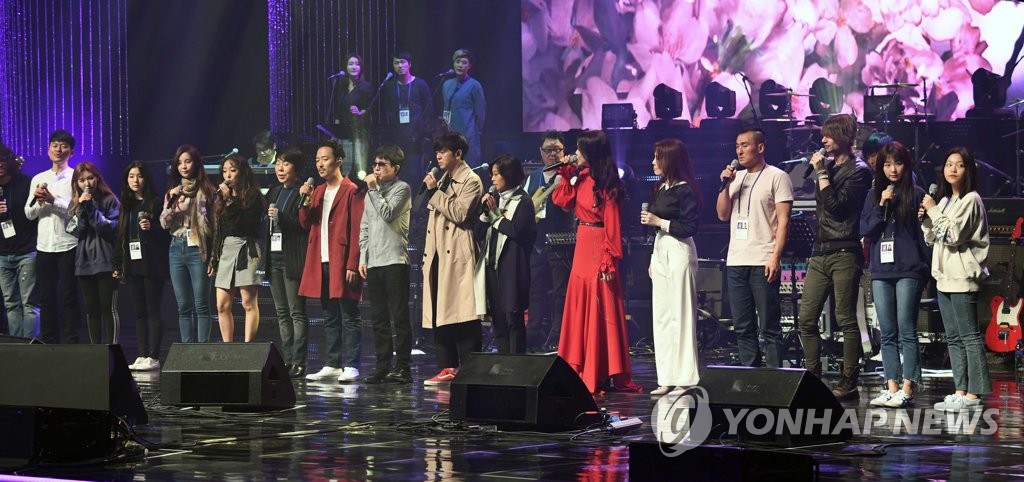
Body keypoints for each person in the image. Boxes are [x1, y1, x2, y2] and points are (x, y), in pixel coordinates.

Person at [551, 130, 641, 394]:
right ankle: (578, 367)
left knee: (600, 307)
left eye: (579, 150)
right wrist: (566, 177)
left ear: (590, 153)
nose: (575, 154)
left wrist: (609, 260)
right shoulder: (581, 178)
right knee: (580, 305)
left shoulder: (608, 185)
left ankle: (599, 371)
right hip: (582, 244)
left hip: (598, 246)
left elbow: (612, 225)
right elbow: (561, 200)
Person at [798, 114, 873, 400]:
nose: (823, 140)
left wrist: (821, 174)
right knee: (806, 318)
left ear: (843, 136)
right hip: (820, 251)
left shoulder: (860, 171)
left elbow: (837, 207)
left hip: (845, 250)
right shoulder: (828, 167)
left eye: (828, 135)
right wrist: (822, 172)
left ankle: (848, 381)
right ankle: (813, 378)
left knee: (845, 318)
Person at [921, 147, 992, 411]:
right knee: (953, 337)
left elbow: (953, 237)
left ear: (968, 170)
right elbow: (933, 238)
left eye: (959, 165)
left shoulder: (971, 199)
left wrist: (933, 212)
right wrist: (927, 219)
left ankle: (974, 394)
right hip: (944, 277)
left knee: (969, 336)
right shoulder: (945, 201)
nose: (952, 169)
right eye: (949, 164)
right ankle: (960, 390)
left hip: (963, 277)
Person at [717, 128, 794, 369]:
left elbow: (783, 221)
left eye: (745, 145)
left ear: (760, 148)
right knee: (743, 326)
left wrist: (775, 257)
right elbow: (722, 214)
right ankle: (751, 377)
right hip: (736, 261)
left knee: (769, 326)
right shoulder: (735, 178)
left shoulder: (777, 176)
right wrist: (725, 185)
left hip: (763, 259)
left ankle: (774, 379)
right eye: (737, 146)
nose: (739, 151)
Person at [860, 142, 928, 408]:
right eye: (887, 164)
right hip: (881, 270)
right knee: (887, 332)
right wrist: (881, 204)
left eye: (897, 163)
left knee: (906, 329)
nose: (893, 169)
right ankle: (891, 386)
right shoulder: (873, 195)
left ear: (906, 165)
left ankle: (908, 388)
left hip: (909, 269)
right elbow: (866, 229)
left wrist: (926, 271)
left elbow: (924, 236)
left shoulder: (917, 194)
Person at [421, 132, 485, 385]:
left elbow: (459, 213)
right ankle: (446, 366)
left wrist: (434, 192)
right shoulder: (444, 178)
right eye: (436, 151)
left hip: (458, 253)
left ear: (458, 154)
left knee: (464, 313)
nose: (438, 156)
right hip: (438, 252)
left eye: (443, 151)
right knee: (440, 310)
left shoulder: (471, 180)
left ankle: (470, 367)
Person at [300, 139, 365, 383]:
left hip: (342, 260)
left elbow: (357, 229)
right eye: (317, 160)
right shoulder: (317, 191)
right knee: (329, 314)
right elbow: (305, 223)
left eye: (325, 159)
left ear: (339, 160)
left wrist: (353, 263)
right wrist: (306, 202)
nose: (320, 164)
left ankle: (352, 364)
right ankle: (332, 363)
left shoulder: (351, 190)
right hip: (321, 259)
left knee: (349, 314)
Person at [642, 139, 702, 396]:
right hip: (661, 250)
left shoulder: (684, 190)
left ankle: (685, 378)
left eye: (657, 157)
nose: (653, 162)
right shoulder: (661, 188)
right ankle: (666, 376)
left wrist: (660, 222)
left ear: (670, 160)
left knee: (681, 314)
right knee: (663, 316)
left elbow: (689, 227)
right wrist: (653, 257)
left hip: (679, 251)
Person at [358, 145, 413, 383]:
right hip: (374, 262)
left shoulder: (402, 188)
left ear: (395, 168)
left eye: (382, 165)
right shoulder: (370, 193)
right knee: (378, 318)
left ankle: (403, 367)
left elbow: (388, 213)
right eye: (375, 164)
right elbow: (365, 227)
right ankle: (382, 365)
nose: (377, 169)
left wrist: (373, 189)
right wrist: (363, 257)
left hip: (395, 260)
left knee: (399, 317)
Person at [25, 129, 81, 344]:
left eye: (64, 146)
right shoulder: (39, 178)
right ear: (48, 150)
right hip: (44, 246)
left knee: (69, 295)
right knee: (46, 297)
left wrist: (53, 200)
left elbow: (77, 211)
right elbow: (29, 214)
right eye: (55, 145)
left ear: (71, 151)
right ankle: (48, 341)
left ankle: (72, 341)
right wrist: (40, 202)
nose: (59, 149)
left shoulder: (76, 177)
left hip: (68, 244)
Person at [113, 161, 170, 370]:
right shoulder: (126, 205)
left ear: (146, 178)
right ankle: (143, 354)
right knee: (139, 312)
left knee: (153, 310)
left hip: (152, 264)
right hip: (132, 264)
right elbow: (120, 237)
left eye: (139, 176)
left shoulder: (155, 202)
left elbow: (167, 234)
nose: (135, 180)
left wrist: (151, 227)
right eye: (131, 176)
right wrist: (118, 264)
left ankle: (154, 356)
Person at [477, 155, 535, 354]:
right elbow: (478, 233)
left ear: (508, 175)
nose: (492, 179)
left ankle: (517, 365)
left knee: (513, 318)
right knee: (498, 320)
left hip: (512, 268)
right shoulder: (495, 200)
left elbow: (517, 232)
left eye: (496, 174)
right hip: (492, 266)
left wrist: (495, 215)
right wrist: (486, 213)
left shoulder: (523, 201)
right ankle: (503, 362)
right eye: (492, 174)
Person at [160, 144, 217, 343]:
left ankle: (201, 352)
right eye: (179, 163)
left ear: (196, 163)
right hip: (176, 248)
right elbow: (164, 223)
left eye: (188, 161)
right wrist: (173, 206)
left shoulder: (207, 191)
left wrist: (213, 258)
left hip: (198, 249)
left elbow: (215, 227)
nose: (183, 166)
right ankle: (186, 350)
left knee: (201, 305)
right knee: (183, 306)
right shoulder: (172, 193)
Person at [524, 130, 574, 351]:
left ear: (564, 151)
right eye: (548, 150)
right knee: (535, 291)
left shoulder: (569, 175)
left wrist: (563, 181)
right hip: (536, 244)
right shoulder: (533, 176)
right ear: (540, 152)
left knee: (560, 292)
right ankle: (533, 335)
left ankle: (558, 337)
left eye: (557, 150)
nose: (552, 154)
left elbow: (569, 207)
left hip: (560, 243)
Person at [264, 147, 310, 376]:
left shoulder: (302, 192)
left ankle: (299, 361)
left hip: (292, 258)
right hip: (273, 258)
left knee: (296, 312)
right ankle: (288, 359)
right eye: (278, 163)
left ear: (296, 168)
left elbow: (303, 225)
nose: (280, 169)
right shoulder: (273, 192)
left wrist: (281, 217)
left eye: (286, 164)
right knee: (281, 313)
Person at [212, 154, 265, 343]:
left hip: (247, 248)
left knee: (248, 303)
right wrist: (214, 258)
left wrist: (229, 201)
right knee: (221, 305)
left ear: (242, 173)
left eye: (232, 170)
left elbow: (246, 224)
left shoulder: (253, 196)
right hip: (227, 250)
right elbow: (219, 231)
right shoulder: (221, 199)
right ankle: (228, 347)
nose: (227, 175)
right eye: (224, 171)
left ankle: (248, 347)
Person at [65, 162, 120, 344]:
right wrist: (81, 208)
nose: (87, 183)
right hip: (84, 263)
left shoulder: (110, 200)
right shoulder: (74, 205)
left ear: (97, 178)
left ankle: (112, 350)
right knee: (91, 309)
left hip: (106, 261)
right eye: (82, 180)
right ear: (76, 183)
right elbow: (76, 231)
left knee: (107, 308)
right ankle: (95, 349)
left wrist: (90, 208)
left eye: (90, 178)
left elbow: (107, 228)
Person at [0, 144, 38, 339]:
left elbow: (34, 214)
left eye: (2, 160)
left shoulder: (25, 183)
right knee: (11, 303)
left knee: (29, 303)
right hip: (2, 254)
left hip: (27, 250)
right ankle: (17, 346)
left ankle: (31, 346)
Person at [380, 51, 432, 183]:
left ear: (409, 64)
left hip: (416, 136)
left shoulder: (420, 84)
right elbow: (386, 109)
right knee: (398, 172)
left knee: (415, 173)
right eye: (396, 63)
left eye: (403, 62)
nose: (400, 66)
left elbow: (429, 110)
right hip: (396, 137)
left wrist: (422, 131)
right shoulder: (389, 86)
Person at [441, 48, 486, 167]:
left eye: (464, 62)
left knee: (469, 166)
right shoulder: (446, 84)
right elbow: (445, 108)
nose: (460, 65)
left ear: (469, 66)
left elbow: (480, 112)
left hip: (468, 134)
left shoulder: (474, 85)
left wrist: (475, 131)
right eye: (457, 62)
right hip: (450, 133)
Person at [334, 53, 374, 180]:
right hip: (344, 132)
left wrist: (361, 112)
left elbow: (371, 108)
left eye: (357, 64)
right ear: (346, 67)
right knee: (345, 166)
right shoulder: (342, 87)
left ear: (361, 67)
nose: (354, 67)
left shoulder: (366, 86)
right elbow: (338, 109)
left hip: (359, 132)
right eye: (350, 64)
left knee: (358, 168)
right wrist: (335, 130)